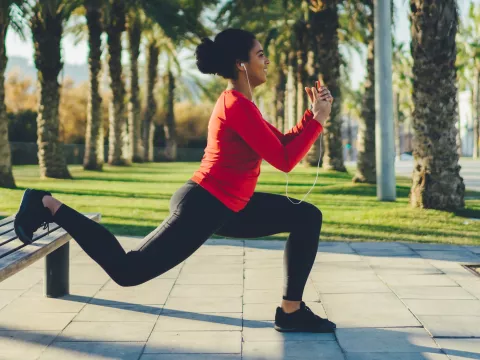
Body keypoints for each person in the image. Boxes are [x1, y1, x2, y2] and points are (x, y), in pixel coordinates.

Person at [14, 28, 335, 333]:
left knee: (307, 216)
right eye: (260, 54)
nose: (267, 61)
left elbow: (282, 146)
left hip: (230, 206)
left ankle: (291, 312)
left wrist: (311, 115)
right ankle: (47, 204)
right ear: (241, 64)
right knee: (128, 271)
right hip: (205, 204)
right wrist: (318, 120)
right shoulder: (236, 105)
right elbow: (285, 160)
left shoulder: (244, 105)